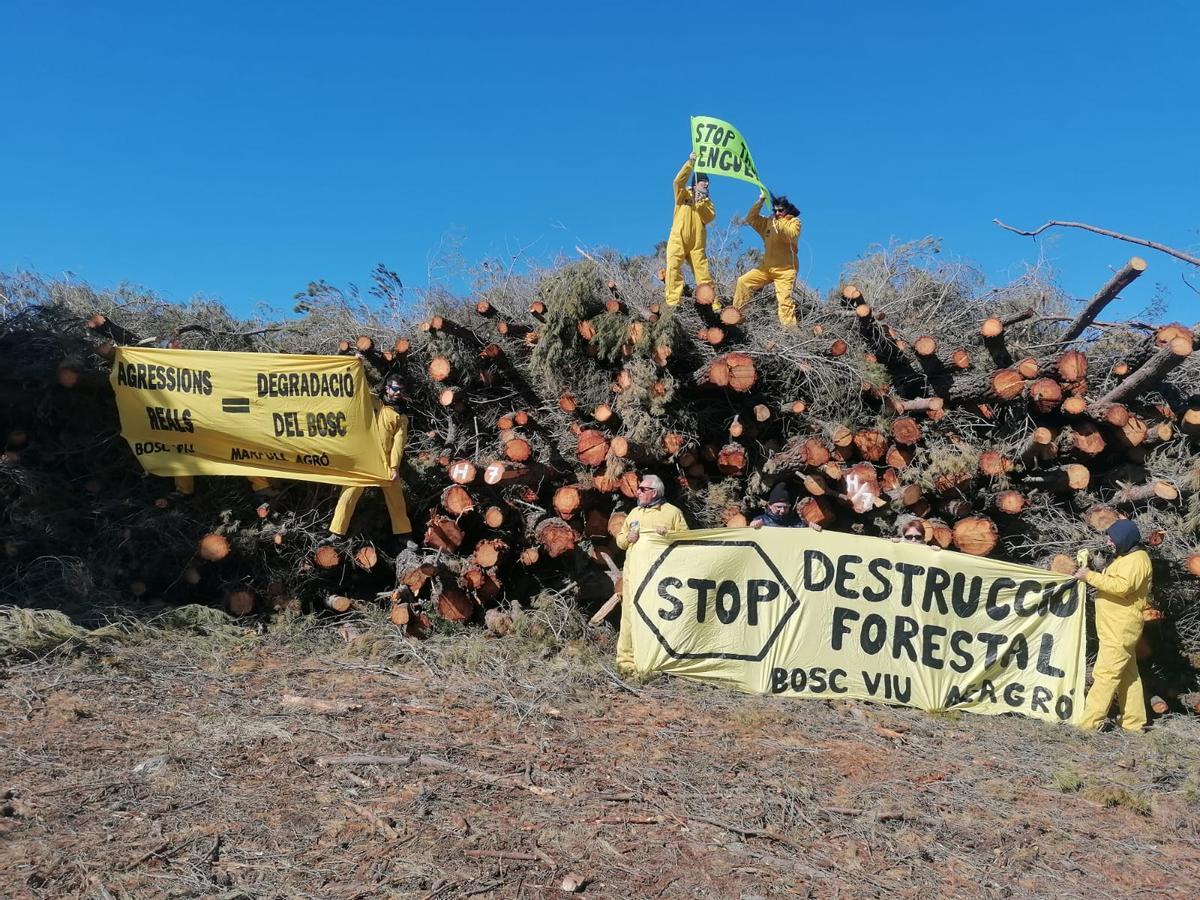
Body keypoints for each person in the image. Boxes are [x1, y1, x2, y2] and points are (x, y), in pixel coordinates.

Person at [1073, 520, 1153, 732]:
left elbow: (1121, 587)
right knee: (1129, 675)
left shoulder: (1137, 560)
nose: (1109, 542)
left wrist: (1089, 576)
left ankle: (1089, 724)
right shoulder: (1126, 557)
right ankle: (1133, 723)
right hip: (1114, 627)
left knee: (1105, 674)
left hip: (1120, 628)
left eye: (1113, 538)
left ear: (1125, 538)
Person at [327, 371, 413, 552]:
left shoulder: (401, 416)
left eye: (401, 390)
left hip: (385, 463)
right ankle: (336, 533)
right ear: (387, 388)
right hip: (363, 460)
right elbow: (359, 388)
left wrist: (394, 467)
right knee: (348, 495)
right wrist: (355, 367)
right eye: (395, 389)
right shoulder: (372, 401)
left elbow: (399, 445)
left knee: (396, 499)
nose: (398, 393)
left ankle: (404, 536)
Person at [614, 474, 688, 671]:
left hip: (660, 578)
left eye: (642, 489)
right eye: (639, 489)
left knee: (654, 617)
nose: (637, 492)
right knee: (630, 616)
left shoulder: (672, 513)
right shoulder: (634, 513)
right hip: (633, 576)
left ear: (654, 492)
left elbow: (686, 541)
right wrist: (628, 538)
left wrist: (669, 535)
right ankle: (626, 663)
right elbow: (620, 542)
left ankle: (655, 662)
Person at [732, 192, 802, 325]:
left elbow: (791, 235)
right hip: (766, 268)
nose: (777, 213)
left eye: (780, 210)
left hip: (785, 270)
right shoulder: (769, 222)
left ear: (787, 210)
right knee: (743, 282)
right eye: (775, 210)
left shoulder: (794, 222)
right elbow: (751, 219)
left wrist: (779, 224)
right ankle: (737, 318)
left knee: (785, 302)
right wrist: (760, 201)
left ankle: (791, 333)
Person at [664, 153, 715, 307]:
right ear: (694, 184)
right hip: (678, 239)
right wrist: (690, 163)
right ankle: (673, 303)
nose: (706, 184)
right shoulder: (683, 194)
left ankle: (713, 305)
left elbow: (709, 217)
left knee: (703, 275)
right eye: (702, 181)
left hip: (696, 245)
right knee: (673, 267)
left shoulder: (707, 203)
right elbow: (677, 182)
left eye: (707, 181)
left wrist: (700, 203)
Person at [750, 482, 820, 530]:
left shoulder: (798, 523)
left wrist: (811, 528)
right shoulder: (762, 521)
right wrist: (752, 527)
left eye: (786, 507)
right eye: (779, 507)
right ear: (770, 506)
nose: (782, 510)